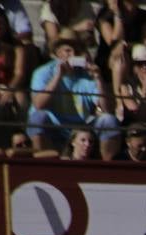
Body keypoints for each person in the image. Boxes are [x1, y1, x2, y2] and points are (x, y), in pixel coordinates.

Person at [27, 28, 121, 158]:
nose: (73, 54)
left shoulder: (87, 76)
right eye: (68, 50)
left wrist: (98, 78)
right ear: (58, 52)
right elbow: (38, 104)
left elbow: (107, 109)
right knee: (37, 118)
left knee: (109, 121)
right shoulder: (43, 72)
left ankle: (107, 170)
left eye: (76, 51)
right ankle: (43, 164)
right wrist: (58, 77)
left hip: (83, 128)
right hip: (55, 126)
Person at [97, 0, 146, 88]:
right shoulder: (106, 15)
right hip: (110, 58)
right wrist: (117, 15)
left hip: (136, 58)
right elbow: (114, 42)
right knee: (121, 59)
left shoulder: (145, 16)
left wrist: (126, 45)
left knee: (139, 60)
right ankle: (120, 98)